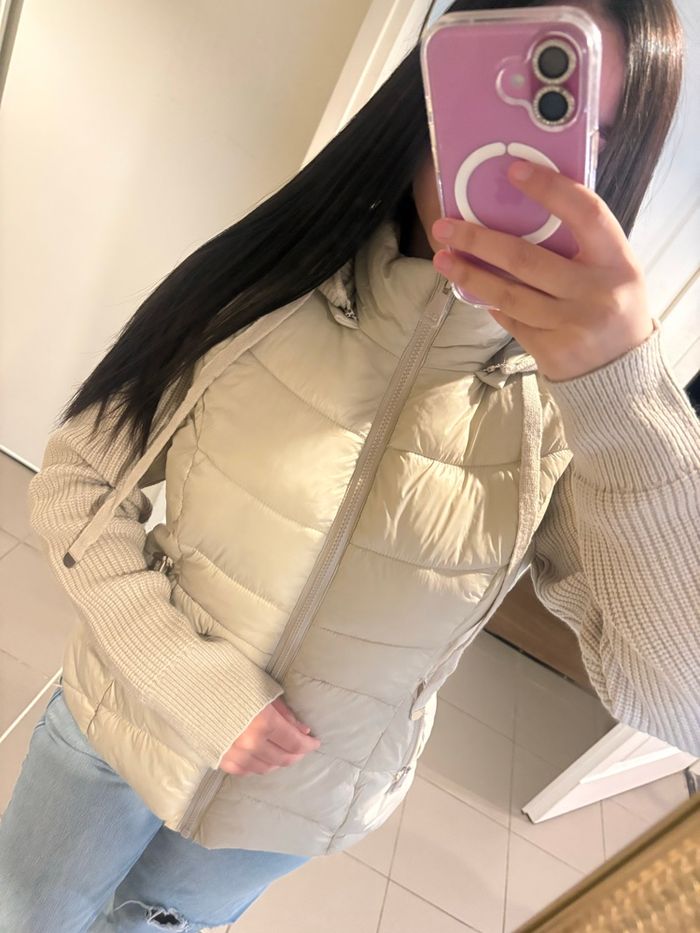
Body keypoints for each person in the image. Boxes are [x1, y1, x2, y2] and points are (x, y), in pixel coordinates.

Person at [1, 0, 698, 930]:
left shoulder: (578, 418)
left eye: (574, 135)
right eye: (503, 104)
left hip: (292, 804)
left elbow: (677, 704)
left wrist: (627, 398)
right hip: (114, 722)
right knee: (28, 910)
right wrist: (186, 677)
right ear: (427, 93)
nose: (517, 170)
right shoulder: (263, 283)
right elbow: (76, 486)